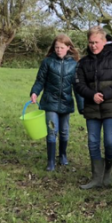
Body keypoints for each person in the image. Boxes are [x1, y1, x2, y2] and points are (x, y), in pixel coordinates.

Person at [74, 27, 112, 189]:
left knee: (110, 142)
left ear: (104, 41)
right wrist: (92, 95)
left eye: (96, 42)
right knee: (93, 142)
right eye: (90, 42)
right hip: (91, 107)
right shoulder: (83, 63)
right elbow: (78, 84)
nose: (93, 45)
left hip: (111, 107)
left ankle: (107, 173)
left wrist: (104, 94)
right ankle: (96, 177)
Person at [30, 34, 83, 171]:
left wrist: (82, 107)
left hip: (66, 103)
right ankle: (51, 161)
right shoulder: (47, 62)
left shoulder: (74, 65)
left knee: (64, 131)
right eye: (56, 47)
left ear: (68, 48)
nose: (59, 50)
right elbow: (40, 80)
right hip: (50, 102)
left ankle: (63, 155)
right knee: (52, 130)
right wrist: (35, 92)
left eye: (62, 47)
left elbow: (77, 88)